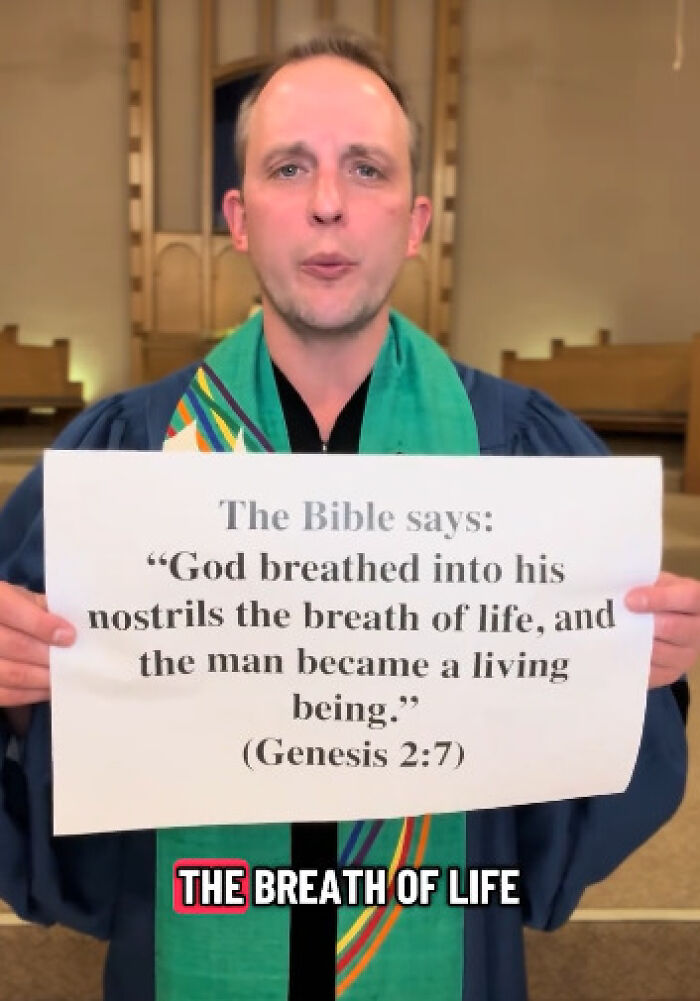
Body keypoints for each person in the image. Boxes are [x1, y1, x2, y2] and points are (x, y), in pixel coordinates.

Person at [0, 28, 696, 1001]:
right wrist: (21, 695)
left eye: (364, 169)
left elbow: (562, 827)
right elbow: (63, 831)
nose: (328, 203)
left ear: (415, 222)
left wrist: (633, 677)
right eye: (291, 167)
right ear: (239, 216)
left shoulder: (522, 459)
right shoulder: (121, 458)